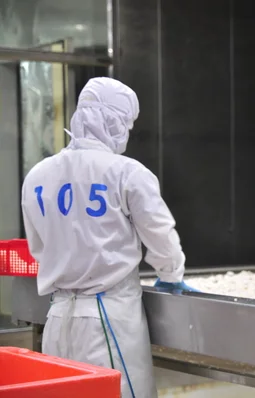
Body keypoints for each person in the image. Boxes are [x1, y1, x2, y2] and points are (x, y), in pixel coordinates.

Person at [21, 77, 198, 398]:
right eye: (127, 125)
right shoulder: (127, 173)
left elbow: (37, 246)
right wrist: (171, 275)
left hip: (58, 318)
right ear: (114, 122)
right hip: (109, 320)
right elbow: (160, 236)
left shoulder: (37, 176)